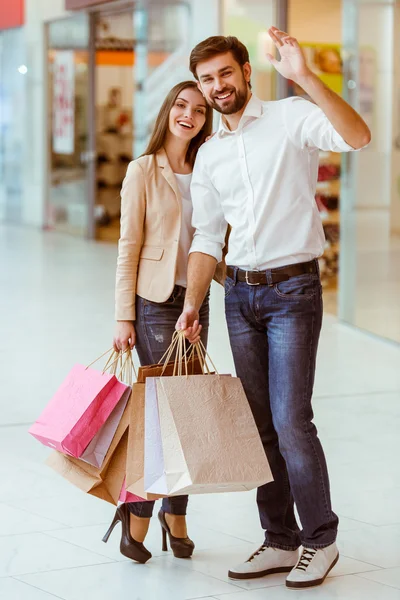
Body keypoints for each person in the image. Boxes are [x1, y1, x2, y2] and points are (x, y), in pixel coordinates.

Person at [177, 28, 371, 589]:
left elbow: (357, 137)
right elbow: (208, 236)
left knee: (291, 420)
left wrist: (306, 76)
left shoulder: (291, 117)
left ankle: (321, 540)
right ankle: (280, 539)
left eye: (225, 74)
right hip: (238, 295)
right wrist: (193, 304)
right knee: (260, 425)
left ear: (245, 72)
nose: (218, 86)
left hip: (291, 292)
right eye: (207, 79)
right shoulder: (210, 154)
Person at [106, 81, 213, 564]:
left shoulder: (210, 168)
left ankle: (176, 515)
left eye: (199, 109)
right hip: (154, 303)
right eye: (181, 105)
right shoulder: (142, 170)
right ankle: (140, 514)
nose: (188, 115)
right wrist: (122, 315)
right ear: (168, 110)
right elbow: (128, 245)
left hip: (196, 302)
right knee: (160, 414)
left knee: (186, 412)